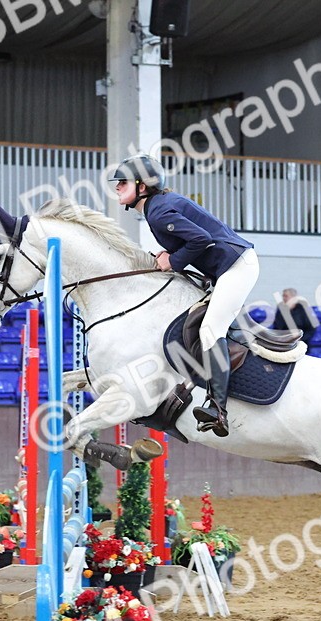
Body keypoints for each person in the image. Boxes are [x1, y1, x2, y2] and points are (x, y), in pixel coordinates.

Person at [111, 153, 256, 437]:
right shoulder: (157, 207)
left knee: (211, 331)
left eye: (123, 182)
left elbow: (201, 239)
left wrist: (173, 262)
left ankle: (218, 410)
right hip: (228, 267)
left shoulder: (159, 211)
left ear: (142, 186)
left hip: (237, 268)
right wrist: (171, 256)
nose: (117, 187)